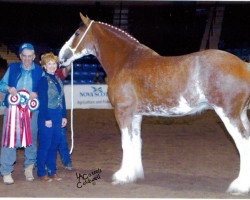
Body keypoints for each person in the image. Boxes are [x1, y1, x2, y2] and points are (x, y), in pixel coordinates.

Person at [0, 43, 43, 184]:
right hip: (12, 109)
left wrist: (37, 93)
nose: (27, 59)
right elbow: (1, 84)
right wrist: (8, 88)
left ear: (34, 56)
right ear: (20, 56)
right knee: (9, 140)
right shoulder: (12, 68)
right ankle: (6, 170)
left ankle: (29, 167)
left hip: (32, 111)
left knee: (31, 139)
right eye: (24, 56)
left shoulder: (39, 70)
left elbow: (44, 89)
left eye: (30, 56)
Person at [37, 52, 67, 182]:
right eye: (49, 63)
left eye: (54, 63)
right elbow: (43, 101)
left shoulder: (58, 79)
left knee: (54, 144)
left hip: (58, 114)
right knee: (45, 145)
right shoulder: (43, 80)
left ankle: (52, 171)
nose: (52, 66)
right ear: (44, 66)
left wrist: (64, 115)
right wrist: (46, 118)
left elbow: (63, 99)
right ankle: (41, 172)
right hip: (47, 115)